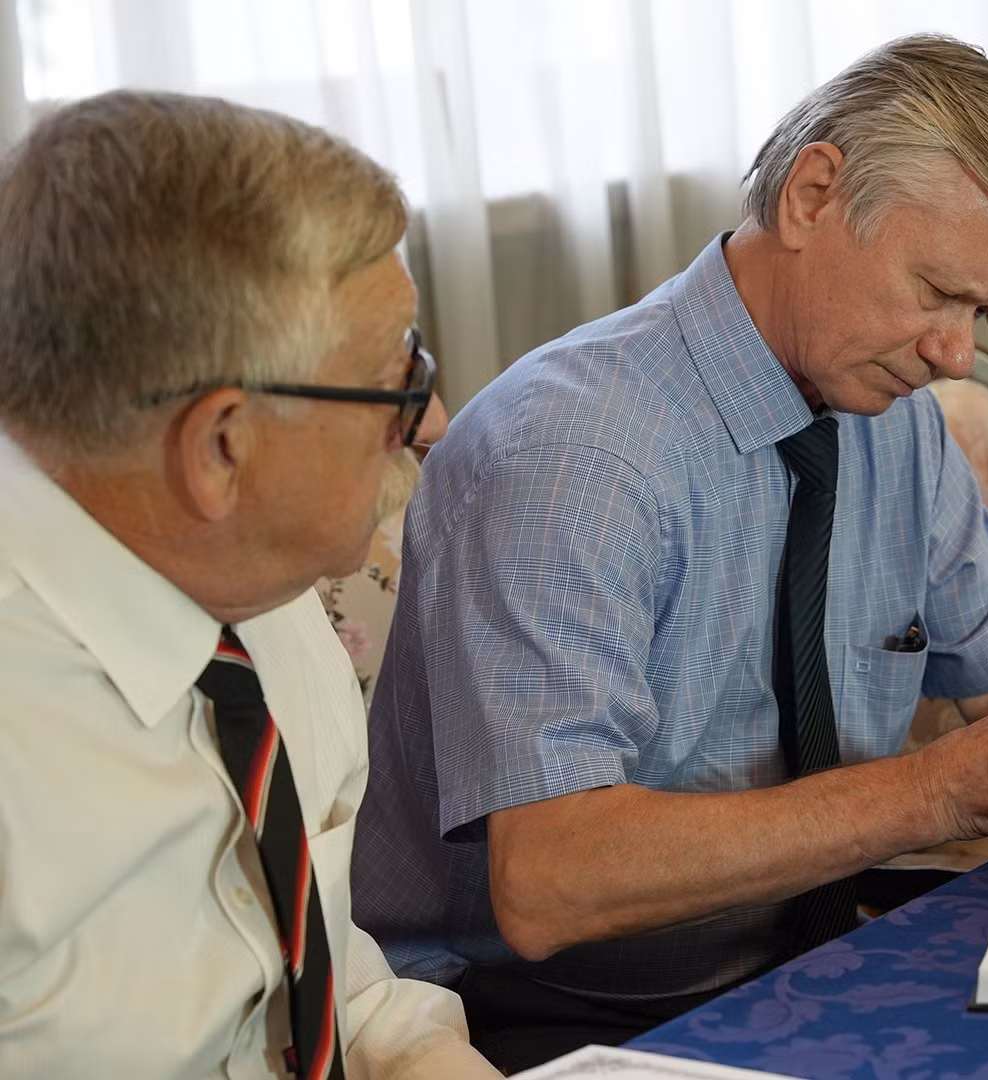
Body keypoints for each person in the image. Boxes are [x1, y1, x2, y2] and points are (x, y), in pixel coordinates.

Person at [351, 33, 988, 1072]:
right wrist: (934, 791)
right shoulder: (572, 455)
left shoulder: (891, 412)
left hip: (809, 962)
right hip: (542, 1017)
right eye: (936, 291)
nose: (958, 353)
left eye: (981, 312)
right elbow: (549, 884)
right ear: (812, 193)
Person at [0, 92, 497, 1077]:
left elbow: (329, 974)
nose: (434, 416)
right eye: (396, 380)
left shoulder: (258, 597)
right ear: (223, 448)